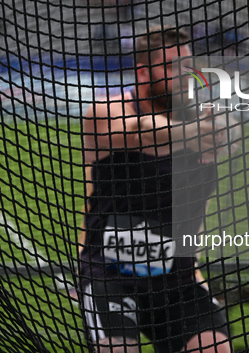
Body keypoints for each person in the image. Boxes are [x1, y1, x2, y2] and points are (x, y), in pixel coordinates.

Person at [79, 25, 231, 353]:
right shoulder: (105, 112)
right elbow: (139, 131)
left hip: (177, 280)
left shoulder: (203, 121)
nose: (183, 76)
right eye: (170, 67)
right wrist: (189, 132)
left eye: (188, 67)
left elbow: (196, 205)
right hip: (111, 276)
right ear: (142, 71)